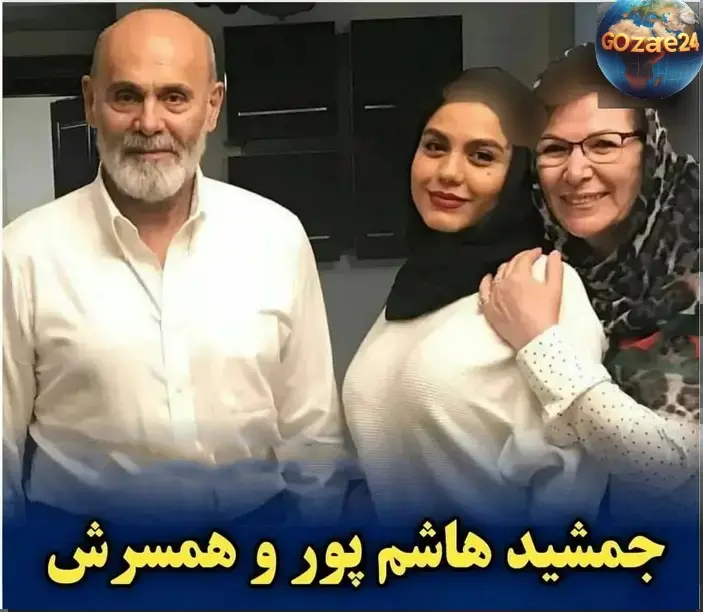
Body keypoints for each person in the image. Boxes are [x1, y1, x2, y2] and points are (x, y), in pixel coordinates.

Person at [3, 9, 347, 525]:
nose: (149, 123)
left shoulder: (276, 237)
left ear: (213, 106)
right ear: (90, 102)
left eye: (174, 97)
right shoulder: (22, 253)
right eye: (126, 96)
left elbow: (312, 433)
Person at [342, 67, 611, 525]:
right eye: (434, 147)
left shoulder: (545, 285)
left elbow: (575, 490)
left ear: (519, 173)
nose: (448, 173)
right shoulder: (413, 291)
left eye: (482, 156)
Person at [478, 43, 699, 516]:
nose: (576, 172)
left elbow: (671, 469)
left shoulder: (692, 266)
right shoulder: (539, 260)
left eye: (603, 144)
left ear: (649, 148)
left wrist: (539, 342)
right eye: (554, 149)